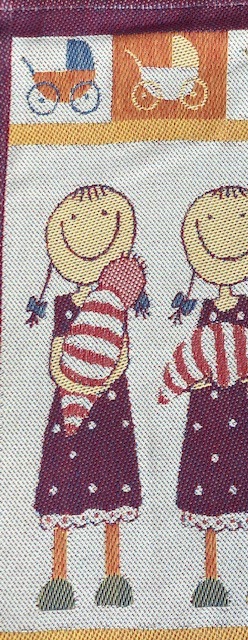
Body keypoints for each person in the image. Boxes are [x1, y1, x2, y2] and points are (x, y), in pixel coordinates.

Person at [172, 186, 248, 607]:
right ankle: (211, 576)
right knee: (209, 481)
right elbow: (195, 354)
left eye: (241, 224)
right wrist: (193, 381)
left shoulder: (247, 310)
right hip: (209, 406)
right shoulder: (204, 311)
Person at [30, 185, 145, 610]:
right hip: (69, 401)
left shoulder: (116, 305)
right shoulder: (64, 305)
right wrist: (73, 383)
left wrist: (99, 382)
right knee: (63, 480)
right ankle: (58, 576)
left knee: (111, 478)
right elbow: (57, 353)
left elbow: (123, 353)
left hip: (109, 404)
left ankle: (113, 574)